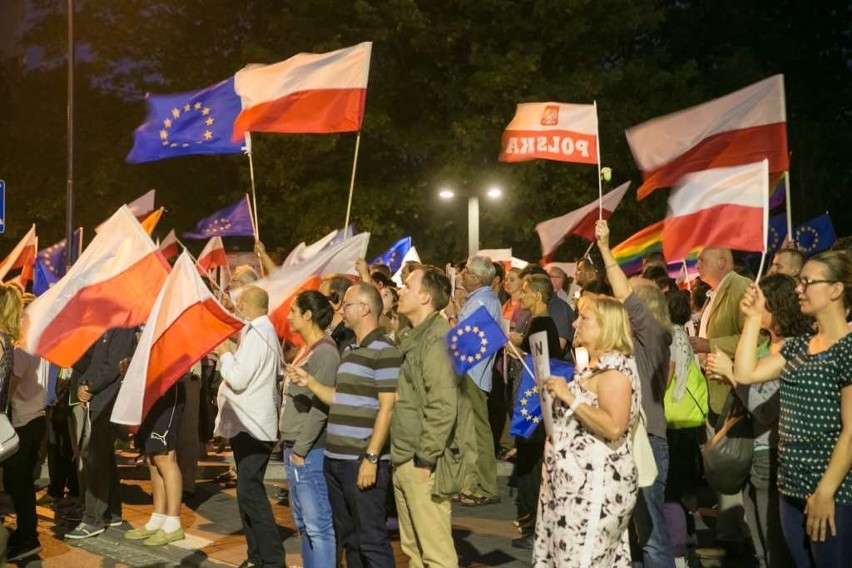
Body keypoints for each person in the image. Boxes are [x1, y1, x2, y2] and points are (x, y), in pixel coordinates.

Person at [709, 251, 852, 566]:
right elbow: (746, 373)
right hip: (790, 486)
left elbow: (851, 433)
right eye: (799, 282)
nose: (798, 289)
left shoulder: (847, 348)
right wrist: (752, 319)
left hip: (833, 491)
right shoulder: (800, 346)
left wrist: (826, 492)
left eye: (807, 282)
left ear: (836, 290)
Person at [289, 282, 399, 567]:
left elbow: (387, 407)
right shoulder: (349, 348)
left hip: (359, 459)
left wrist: (372, 458)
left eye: (346, 304)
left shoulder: (384, 350)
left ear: (364, 309)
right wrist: (310, 381)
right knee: (349, 538)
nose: (340, 309)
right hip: (336, 459)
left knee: (372, 540)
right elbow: (339, 397)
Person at [707, 274, 810, 567]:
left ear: (778, 307)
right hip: (753, 453)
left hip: (772, 456)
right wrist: (729, 378)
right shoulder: (765, 346)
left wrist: (732, 376)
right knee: (762, 550)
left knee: (775, 552)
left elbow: (766, 410)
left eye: (760, 304)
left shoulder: (793, 349)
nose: (752, 310)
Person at [534, 292, 640, 566]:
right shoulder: (594, 368)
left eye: (584, 318)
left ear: (606, 327)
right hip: (572, 493)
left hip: (593, 493)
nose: (574, 324)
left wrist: (569, 397)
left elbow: (614, 425)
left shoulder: (614, 373)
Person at [596, 220, 675, 567]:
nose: (619, 300)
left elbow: (624, 293)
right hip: (625, 441)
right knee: (627, 533)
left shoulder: (655, 338)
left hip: (648, 442)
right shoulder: (633, 346)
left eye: (628, 297)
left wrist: (604, 249)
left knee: (652, 533)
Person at [392, 266, 460, 567]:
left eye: (407, 285)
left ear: (425, 296)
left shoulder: (436, 338)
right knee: (414, 551)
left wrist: (425, 459)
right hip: (405, 455)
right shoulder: (413, 335)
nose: (400, 290)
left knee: (436, 554)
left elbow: (443, 403)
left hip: (420, 461)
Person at [213, 286, 284, 567]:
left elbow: (239, 378)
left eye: (236, 303)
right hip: (248, 424)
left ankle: (272, 558)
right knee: (247, 492)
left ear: (243, 303)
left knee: (251, 493)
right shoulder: (259, 332)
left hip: (254, 426)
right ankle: (257, 555)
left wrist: (223, 354)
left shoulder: (259, 333)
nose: (234, 308)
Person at [690, 246, 752, 557]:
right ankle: (731, 529)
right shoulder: (713, 292)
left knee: (729, 461)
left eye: (703, 258)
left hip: (730, 392)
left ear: (723, 261)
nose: (697, 263)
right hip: (712, 391)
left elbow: (755, 337)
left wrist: (709, 344)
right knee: (720, 462)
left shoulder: (740, 288)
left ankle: (733, 535)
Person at [280, 291, 339, 568]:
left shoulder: (325, 352)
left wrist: (301, 451)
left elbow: (321, 408)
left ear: (308, 315)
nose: (288, 316)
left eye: (293, 311)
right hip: (295, 447)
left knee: (318, 525)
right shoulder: (307, 348)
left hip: (309, 450)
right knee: (303, 522)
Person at [65, 327, 137, 540]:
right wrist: (85, 383)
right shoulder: (109, 325)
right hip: (101, 398)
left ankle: (93, 519)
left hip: (107, 400)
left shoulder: (122, 327)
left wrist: (89, 385)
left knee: (95, 458)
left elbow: (113, 365)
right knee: (103, 457)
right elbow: (97, 361)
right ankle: (111, 512)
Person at [507, 274, 563, 550]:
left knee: (531, 467)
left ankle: (534, 527)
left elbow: (542, 364)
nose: (521, 296)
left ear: (538, 297)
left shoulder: (542, 324)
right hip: (534, 403)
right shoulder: (537, 322)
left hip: (535, 405)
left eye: (526, 292)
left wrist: (517, 345)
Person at [1, 285, 46, 562]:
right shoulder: (15, 344)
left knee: (20, 484)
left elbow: (6, 387)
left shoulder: (18, 349)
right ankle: (26, 536)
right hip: (26, 420)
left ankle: (27, 537)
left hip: (22, 422)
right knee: (20, 484)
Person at [455, 256, 502, 505]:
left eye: (466, 271)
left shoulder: (482, 300)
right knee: (471, 432)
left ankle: (486, 486)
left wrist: (453, 318)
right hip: (474, 371)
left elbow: (466, 340)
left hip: (471, 372)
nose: (462, 273)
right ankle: (474, 483)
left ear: (476, 277)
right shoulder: (485, 299)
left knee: (479, 432)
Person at [125, 376, 187, 546]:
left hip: (169, 387)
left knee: (164, 456)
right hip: (150, 387)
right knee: (152, 456)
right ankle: (158, 517)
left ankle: (173, 522)